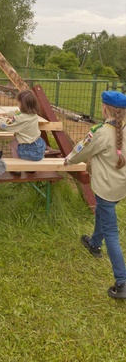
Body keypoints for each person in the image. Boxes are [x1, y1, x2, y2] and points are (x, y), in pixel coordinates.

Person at [64, 90, 126, 299]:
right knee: (103, 211)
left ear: (104, 108)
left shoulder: (101, 132)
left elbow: (82, 151)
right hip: (120, 188)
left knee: (112, 233)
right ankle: (93, 243)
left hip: (105, 188)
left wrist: (68, 160)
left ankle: (122, 282)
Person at [0, 89, 46, 162]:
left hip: (30, 151)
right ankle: (31, 169)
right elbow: (17, 112)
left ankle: (17, 167)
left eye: (18, 103)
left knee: (13, 144)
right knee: (17, 141)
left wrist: (0, 118)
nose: (18, 105)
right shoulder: (33, 114)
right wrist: (6, 114)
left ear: (22, 105)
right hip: (40, 146)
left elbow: (4, 125)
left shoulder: (19, 119)